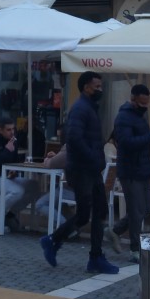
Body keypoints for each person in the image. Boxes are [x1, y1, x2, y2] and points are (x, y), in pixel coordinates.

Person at [40, 72, 118, 274]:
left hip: (90, 169)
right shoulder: (81, 108)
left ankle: (95, 256)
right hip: (82, 169)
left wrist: (96, 159)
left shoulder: (90, 108)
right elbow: (74, 138)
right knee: (84, 214)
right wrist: (93, 157)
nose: (100, 90)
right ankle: (53, 240)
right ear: (86, 87)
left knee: (99, 211)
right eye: (97, 86)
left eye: (101, 86)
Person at [106, 84, 150, 263]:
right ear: (133, 100)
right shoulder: (124, 117)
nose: (145, 106)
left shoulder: (139, 117)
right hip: (130, 170)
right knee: (136, 211)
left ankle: (115, 230)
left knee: (146, 207)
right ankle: (135, 250)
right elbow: (126, 143)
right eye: (142, 103)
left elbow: (144, 148)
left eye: (147, 103)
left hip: (142, 169)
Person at [0, 116, 39, 232]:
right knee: (17, 191)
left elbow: (14, 162)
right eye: (8, 130)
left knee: (33, 186)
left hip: (6, 177)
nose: (12, 132)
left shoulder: (13, 142)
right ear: (0, 130)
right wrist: (6, 151)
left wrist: (14, 171)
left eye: (13, 129)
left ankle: (9, 215)